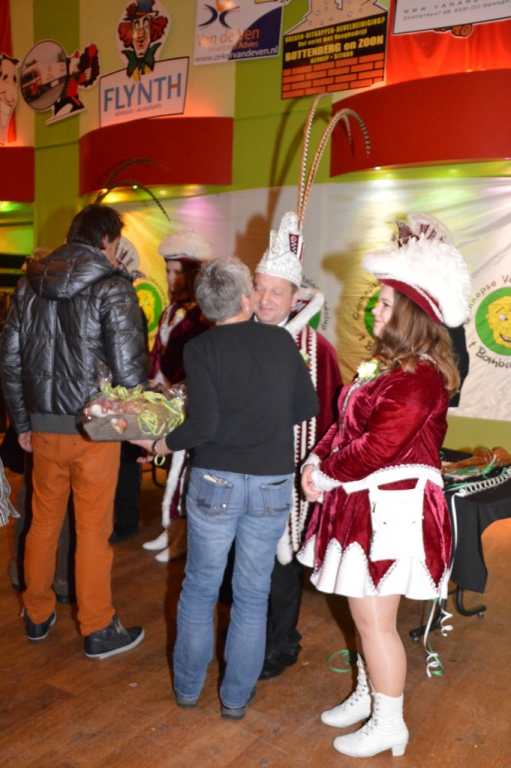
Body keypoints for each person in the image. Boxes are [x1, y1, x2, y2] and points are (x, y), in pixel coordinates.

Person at [298, 219, 471, 758]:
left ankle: (389, 722)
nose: (375, 309)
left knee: (377, 624)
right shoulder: (386, 366)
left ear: (410, 314)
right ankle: (370, 694)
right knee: (365, 617)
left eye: (386, 303)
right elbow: (346, 426)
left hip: (392, 510)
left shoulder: (418, 378)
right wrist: (317, 458)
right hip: (364, 504)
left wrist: (324, 474)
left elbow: (378, 448)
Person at [132, 257, 319, 718]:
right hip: (271, 482)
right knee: (253, 594)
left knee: (200, 588)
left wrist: (158, 445)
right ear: (245, 299)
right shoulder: (281, 341)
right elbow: (307, 407)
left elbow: (204, 426)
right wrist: (263, 416)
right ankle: (235, 699)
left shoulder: (200, 348)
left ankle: (188, 689)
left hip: (215, 481)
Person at [0, 204, 148, 659]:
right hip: (95, 430)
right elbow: (129, 372)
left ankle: (37, 613)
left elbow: (9, 361)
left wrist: (22, 424)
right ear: (105, 241)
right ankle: (97, 626)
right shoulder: (113, 287)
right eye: (115, 244)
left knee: (42, 523)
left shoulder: (28, 286)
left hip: (43, 428)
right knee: (92, 531)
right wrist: (140, 428)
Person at [252, 211, 342, 680]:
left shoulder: (317, 349)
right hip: (241, 474)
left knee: (280, 567)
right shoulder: (237, 335)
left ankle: (281, 643)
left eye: (277, 292)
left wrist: (316, 471)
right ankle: (249, 638)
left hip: (288, 479)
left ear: (295, 298)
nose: (266, 300)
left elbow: (334, 421)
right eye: (260, 288)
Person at [143, 230, 212, 562]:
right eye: (168, 271)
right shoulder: (169, 311)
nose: (171, 278)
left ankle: (183, 534)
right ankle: (170, 526)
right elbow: (158, 351)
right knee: (174, 463)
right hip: (165, 397)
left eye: (177, 271)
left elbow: (195, 359)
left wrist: (175, 385)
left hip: (187, 397)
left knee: (187, 468)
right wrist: (154, 383)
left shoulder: (201, 315)